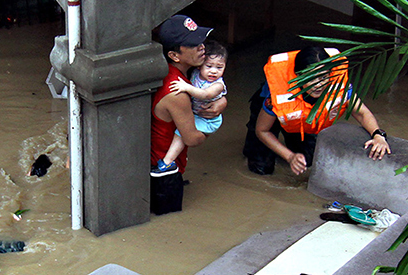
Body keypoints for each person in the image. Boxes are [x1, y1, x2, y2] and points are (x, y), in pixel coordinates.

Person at [243, 46, 391, 176]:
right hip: (272, 114)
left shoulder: (337, 88)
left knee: (309, 162)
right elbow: (262, 131)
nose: (319, 84)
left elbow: (361, 113)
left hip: (301, 118)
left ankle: (291, 140)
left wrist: (378, 135)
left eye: (324, 77)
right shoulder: (277, 97)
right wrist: (289, 157)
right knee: (260, 168)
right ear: (299, 76)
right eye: (312, 78)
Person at [150, 15, 227, 215]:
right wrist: (212, 124)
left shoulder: (176, 74)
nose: (202, 47)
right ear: (175, 56)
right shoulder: (178, 92)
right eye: (193, 44)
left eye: (201, 40)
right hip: (164, 170)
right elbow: (192, 138)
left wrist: (221, 101)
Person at [160, 40, 228, 169]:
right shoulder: (195, 73)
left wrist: (186, 87)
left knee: (181, 133)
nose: (213, 71)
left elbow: (206, 95)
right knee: (181, 133)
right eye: (209, 66)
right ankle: (168, 162)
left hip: (207, 119)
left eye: (219, 67)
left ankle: (167, 162)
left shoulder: (217, 84)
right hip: (197, 114)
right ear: (200, 65)